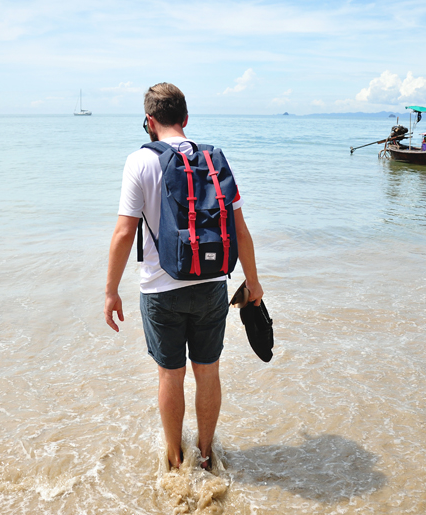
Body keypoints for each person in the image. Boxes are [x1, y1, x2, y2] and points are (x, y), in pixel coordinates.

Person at [104, 82, 263, 470]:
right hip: (211, 285)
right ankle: (206, 456)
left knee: (169, 375)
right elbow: (240, 230)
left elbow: (125, 232)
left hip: (161, 289)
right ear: (186, 118)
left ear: (149, 122)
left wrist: (110, 291)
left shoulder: (139, 161)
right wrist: (253, 282)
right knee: (208, 371)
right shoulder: (214, 159)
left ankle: (175, 461)